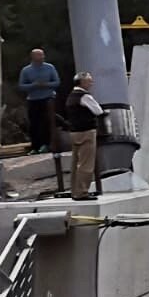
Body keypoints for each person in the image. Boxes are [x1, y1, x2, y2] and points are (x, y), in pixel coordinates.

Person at [63, 72, 105, 202]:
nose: (91, 83)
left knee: (75, 163)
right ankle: (82, 192)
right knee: (86, 163)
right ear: (82, 82)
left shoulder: (71, 96)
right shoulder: (84, 96)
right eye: (89, 81)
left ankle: (74, 191)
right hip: (87, 132)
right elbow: (98, 111)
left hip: (74, 132)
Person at [17, 48, 61, 154]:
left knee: (47, 122)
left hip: (48, 98)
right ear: (33, 57)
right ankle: (35, 147)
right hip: (33, 99)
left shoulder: (49, 67)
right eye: (39, 56)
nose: (42, 58)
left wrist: (46, 85)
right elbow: (21, 86)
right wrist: (33, 85)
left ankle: (47, 145)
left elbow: (57, 82)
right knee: (34, 124)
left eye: (42, 55)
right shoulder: (26, 70)